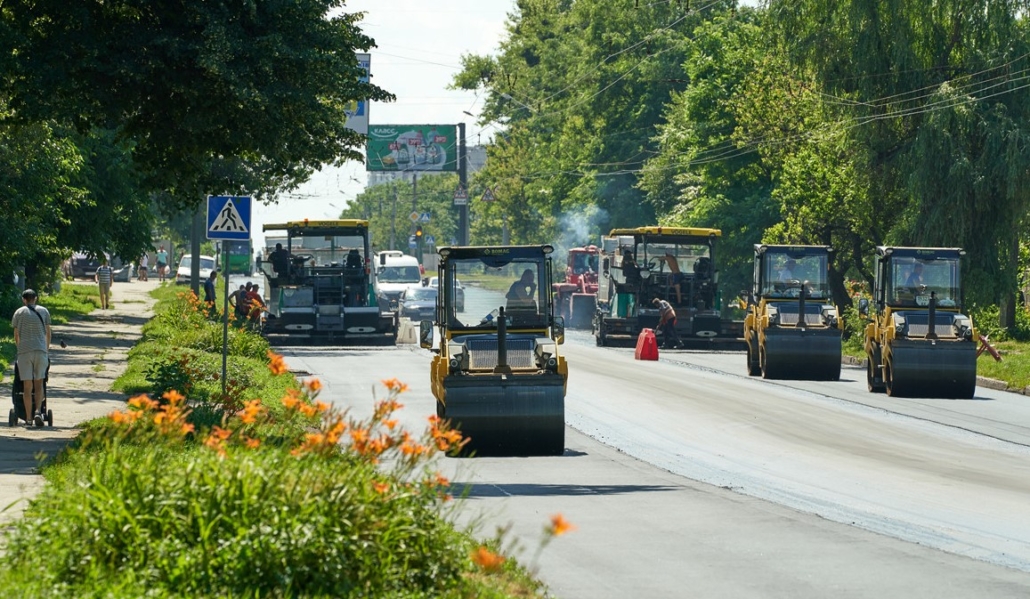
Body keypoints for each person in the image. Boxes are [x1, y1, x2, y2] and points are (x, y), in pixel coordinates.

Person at [12, 289, 51, 427]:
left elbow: (16, 334)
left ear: (24, 299)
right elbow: (48, 332)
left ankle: (28, 419)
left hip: (24, 352)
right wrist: (46, 349)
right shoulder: (44, 311)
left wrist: (19, 348)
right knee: (39, 384)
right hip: (40, 351)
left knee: (27, 387)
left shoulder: (18, 312)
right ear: (36, 298)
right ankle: (38, 412)